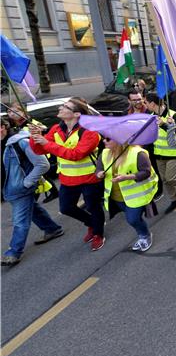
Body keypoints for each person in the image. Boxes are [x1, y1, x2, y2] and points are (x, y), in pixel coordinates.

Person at [29, 98, 106, 251]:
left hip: (90, 177)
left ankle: (98, 234)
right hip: (67, 178)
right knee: (66, 208)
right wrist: (35, 137)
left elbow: (76, 154)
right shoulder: (57, 128)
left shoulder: (90, 132)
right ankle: (92, 223)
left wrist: (46, 143)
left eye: (65, 107)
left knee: (94, 207)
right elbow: (39, 150)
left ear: (76, 114)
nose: (61, 108)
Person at [1, 118, 63, 266]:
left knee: (19, 220)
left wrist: (27, 182)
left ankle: (13, 252)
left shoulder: (19, 142)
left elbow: (43, 164)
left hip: (20, 189)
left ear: (3, 127)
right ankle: (52, 229)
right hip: (8, 189)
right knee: (33, 209)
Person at [95, 136, 158, 252]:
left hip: (136, 195)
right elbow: (98, 169)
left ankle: (145, 235)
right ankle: (142, 231)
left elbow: (146, 172)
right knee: (133, 217)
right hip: (116, 197)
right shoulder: (104, 153)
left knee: (132, 219)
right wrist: (99, 174)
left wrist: (127, 177)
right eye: (104, 138)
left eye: (108, 139)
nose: (104, 141)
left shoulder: (138, 153)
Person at [145, 93, 176, 214]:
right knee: (165, 180)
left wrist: (164, 125)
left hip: (174, 152)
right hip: (159, 153)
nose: (145, 105)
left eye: (146, 102)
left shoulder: (174, 115)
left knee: (170, 178)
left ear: (152, 103)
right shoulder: (150, 116)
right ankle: (174, 199)